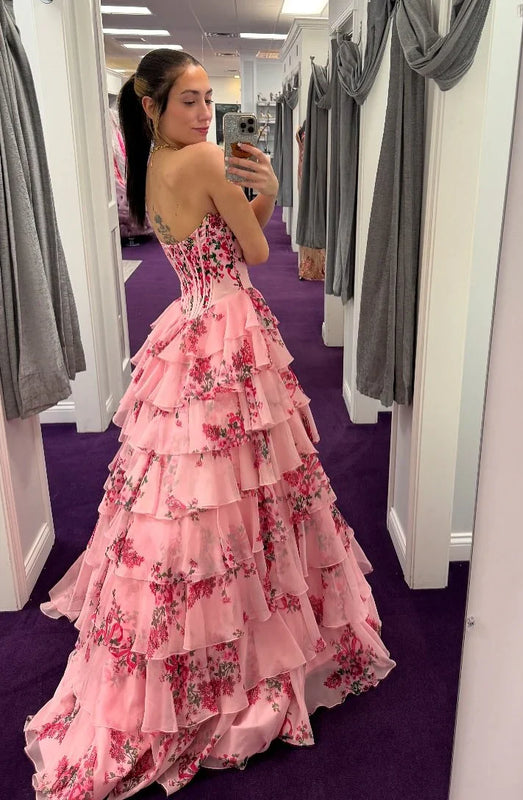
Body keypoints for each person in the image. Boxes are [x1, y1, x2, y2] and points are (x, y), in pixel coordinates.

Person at [24, 49, 395, 799]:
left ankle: (198, 615)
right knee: (242, 482)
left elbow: (219, 242)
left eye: (206, 99)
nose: (203, 113)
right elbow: (253, 252)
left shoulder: (156, 165)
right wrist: (269, 192)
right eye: (188, 100)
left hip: (189, 323)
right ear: (153, 106)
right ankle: (242, 632)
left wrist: (252, 195)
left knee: (191, 486)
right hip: (226, 330)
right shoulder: (200, 158)